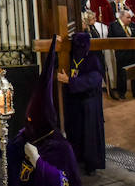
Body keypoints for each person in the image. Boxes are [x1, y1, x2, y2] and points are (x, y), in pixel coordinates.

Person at [7, 36, 81, 186]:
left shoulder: (61, 148)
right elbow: (8, 154)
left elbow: (64, 181)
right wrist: (1, 140)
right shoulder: (25, 136)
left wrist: (38, 162)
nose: (28, 126)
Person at [57, 33, 105, 175]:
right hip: (74, 102)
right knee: (75, 132)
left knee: (90, 135)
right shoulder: (68, 56)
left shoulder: (93, 59)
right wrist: (57, 43)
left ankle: (91, 164)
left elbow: (95, 79)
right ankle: (76, 159)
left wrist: (70, 81)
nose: (80, 48)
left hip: (90, 103)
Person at [108, 10, 135, 100]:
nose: (130, 19)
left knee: (134, 73)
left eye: (130, 17)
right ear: (121, 17)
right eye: (128, 18)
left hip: (133, 53)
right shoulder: (113, 26)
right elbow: (110, 39)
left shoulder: (133, 25)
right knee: (121, 74)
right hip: (121, 54)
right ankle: (121, 93)